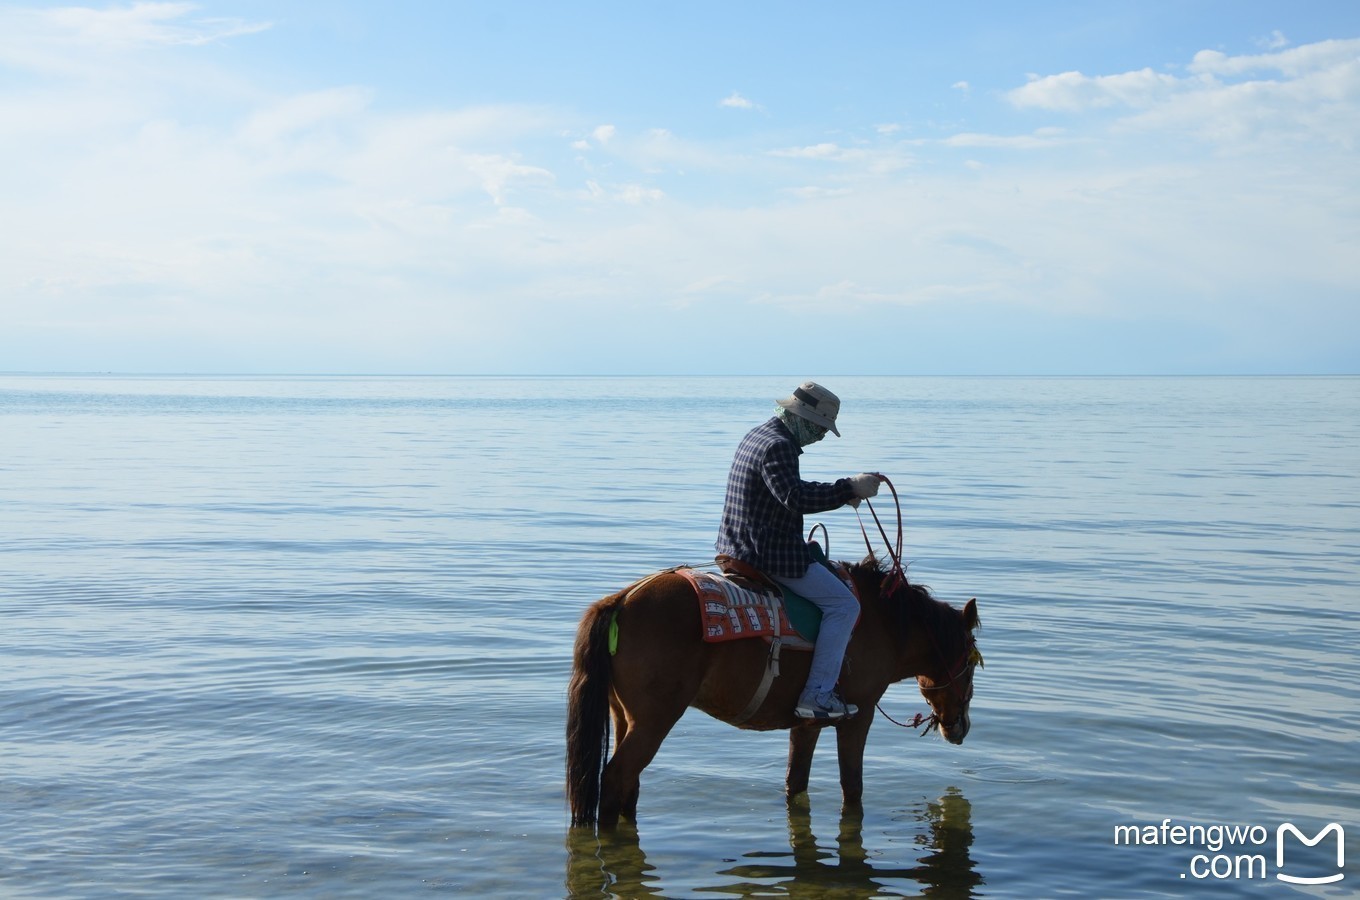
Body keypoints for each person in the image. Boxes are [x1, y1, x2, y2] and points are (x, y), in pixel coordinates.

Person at [715, 381, 882, 720]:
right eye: (821, 427)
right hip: (767, 553)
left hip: (737, 543)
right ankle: (817, 695)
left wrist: (841, 493)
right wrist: (848, 487)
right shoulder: (779, 446)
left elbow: (785, 493)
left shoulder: (758, 434)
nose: (822, 435)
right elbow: (795, 497)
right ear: (802, 418)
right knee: (844, 605)